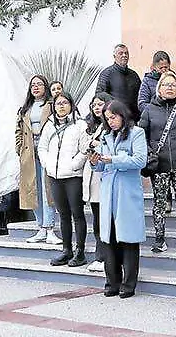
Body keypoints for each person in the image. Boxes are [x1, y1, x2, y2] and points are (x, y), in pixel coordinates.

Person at [91, 100, 147, 299]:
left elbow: (140, 160)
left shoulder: (136, 133)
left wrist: (114, 160)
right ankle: (111, 282)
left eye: (113, 117)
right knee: (109, 238)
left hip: (127, 192)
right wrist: (95, 162)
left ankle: (128, 283)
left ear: (122, 115)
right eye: (108, 119)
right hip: (108, 192)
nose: (111, 121)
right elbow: (101, 167)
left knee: (128, 239)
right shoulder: (106, 137)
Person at [139, 71, 176, 254]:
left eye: (173, 85)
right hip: (160, 165)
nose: (170, 88)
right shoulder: (149, 109)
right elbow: (141, 135)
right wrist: (149, 155)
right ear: (159, 88)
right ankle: (159, 239)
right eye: (166, 85)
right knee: (159, 203)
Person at [40, 92, 91, 267]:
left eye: (64, 103)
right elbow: (42, 147)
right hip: (55, 176)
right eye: (58, 103)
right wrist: (47, 164)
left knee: (77, 214)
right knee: (63, 215)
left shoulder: (80, 125)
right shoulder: (49, 125)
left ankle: (80, 251)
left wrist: (72, 165)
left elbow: (84, 150)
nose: (61, 106)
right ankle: (66, 249)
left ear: (71, 104)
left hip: (73, 176)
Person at [15, 75, 59, 245]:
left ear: (45, 87)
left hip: (47, 151)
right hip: (29, 154)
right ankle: (41, 227)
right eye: (33, 85)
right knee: (33, 191)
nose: (36, 87)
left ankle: (50, 228)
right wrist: (19, 148)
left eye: (39, 84)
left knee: (47, 189)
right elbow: (18, 130)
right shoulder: (25, 108)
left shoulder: (51, 105)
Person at [82, 93, 113, 273]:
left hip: (105, 177)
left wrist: (95, 144)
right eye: (94, 105)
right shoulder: (92, 127)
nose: (96, 107)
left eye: (100, 104)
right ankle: (100, 255)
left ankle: (104, 257)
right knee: (97, 219)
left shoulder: (111, 127)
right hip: (93, 178)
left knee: (105, 221)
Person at [96, 44, 143, 119]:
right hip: (116, 118)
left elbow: (141, 95)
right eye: (121, 53)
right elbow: (100, 94)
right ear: (114, 57)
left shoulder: (134, 75)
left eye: (126, 53)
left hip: (133, 119)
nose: (124, 55)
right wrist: (115, 104)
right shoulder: (107, 74)